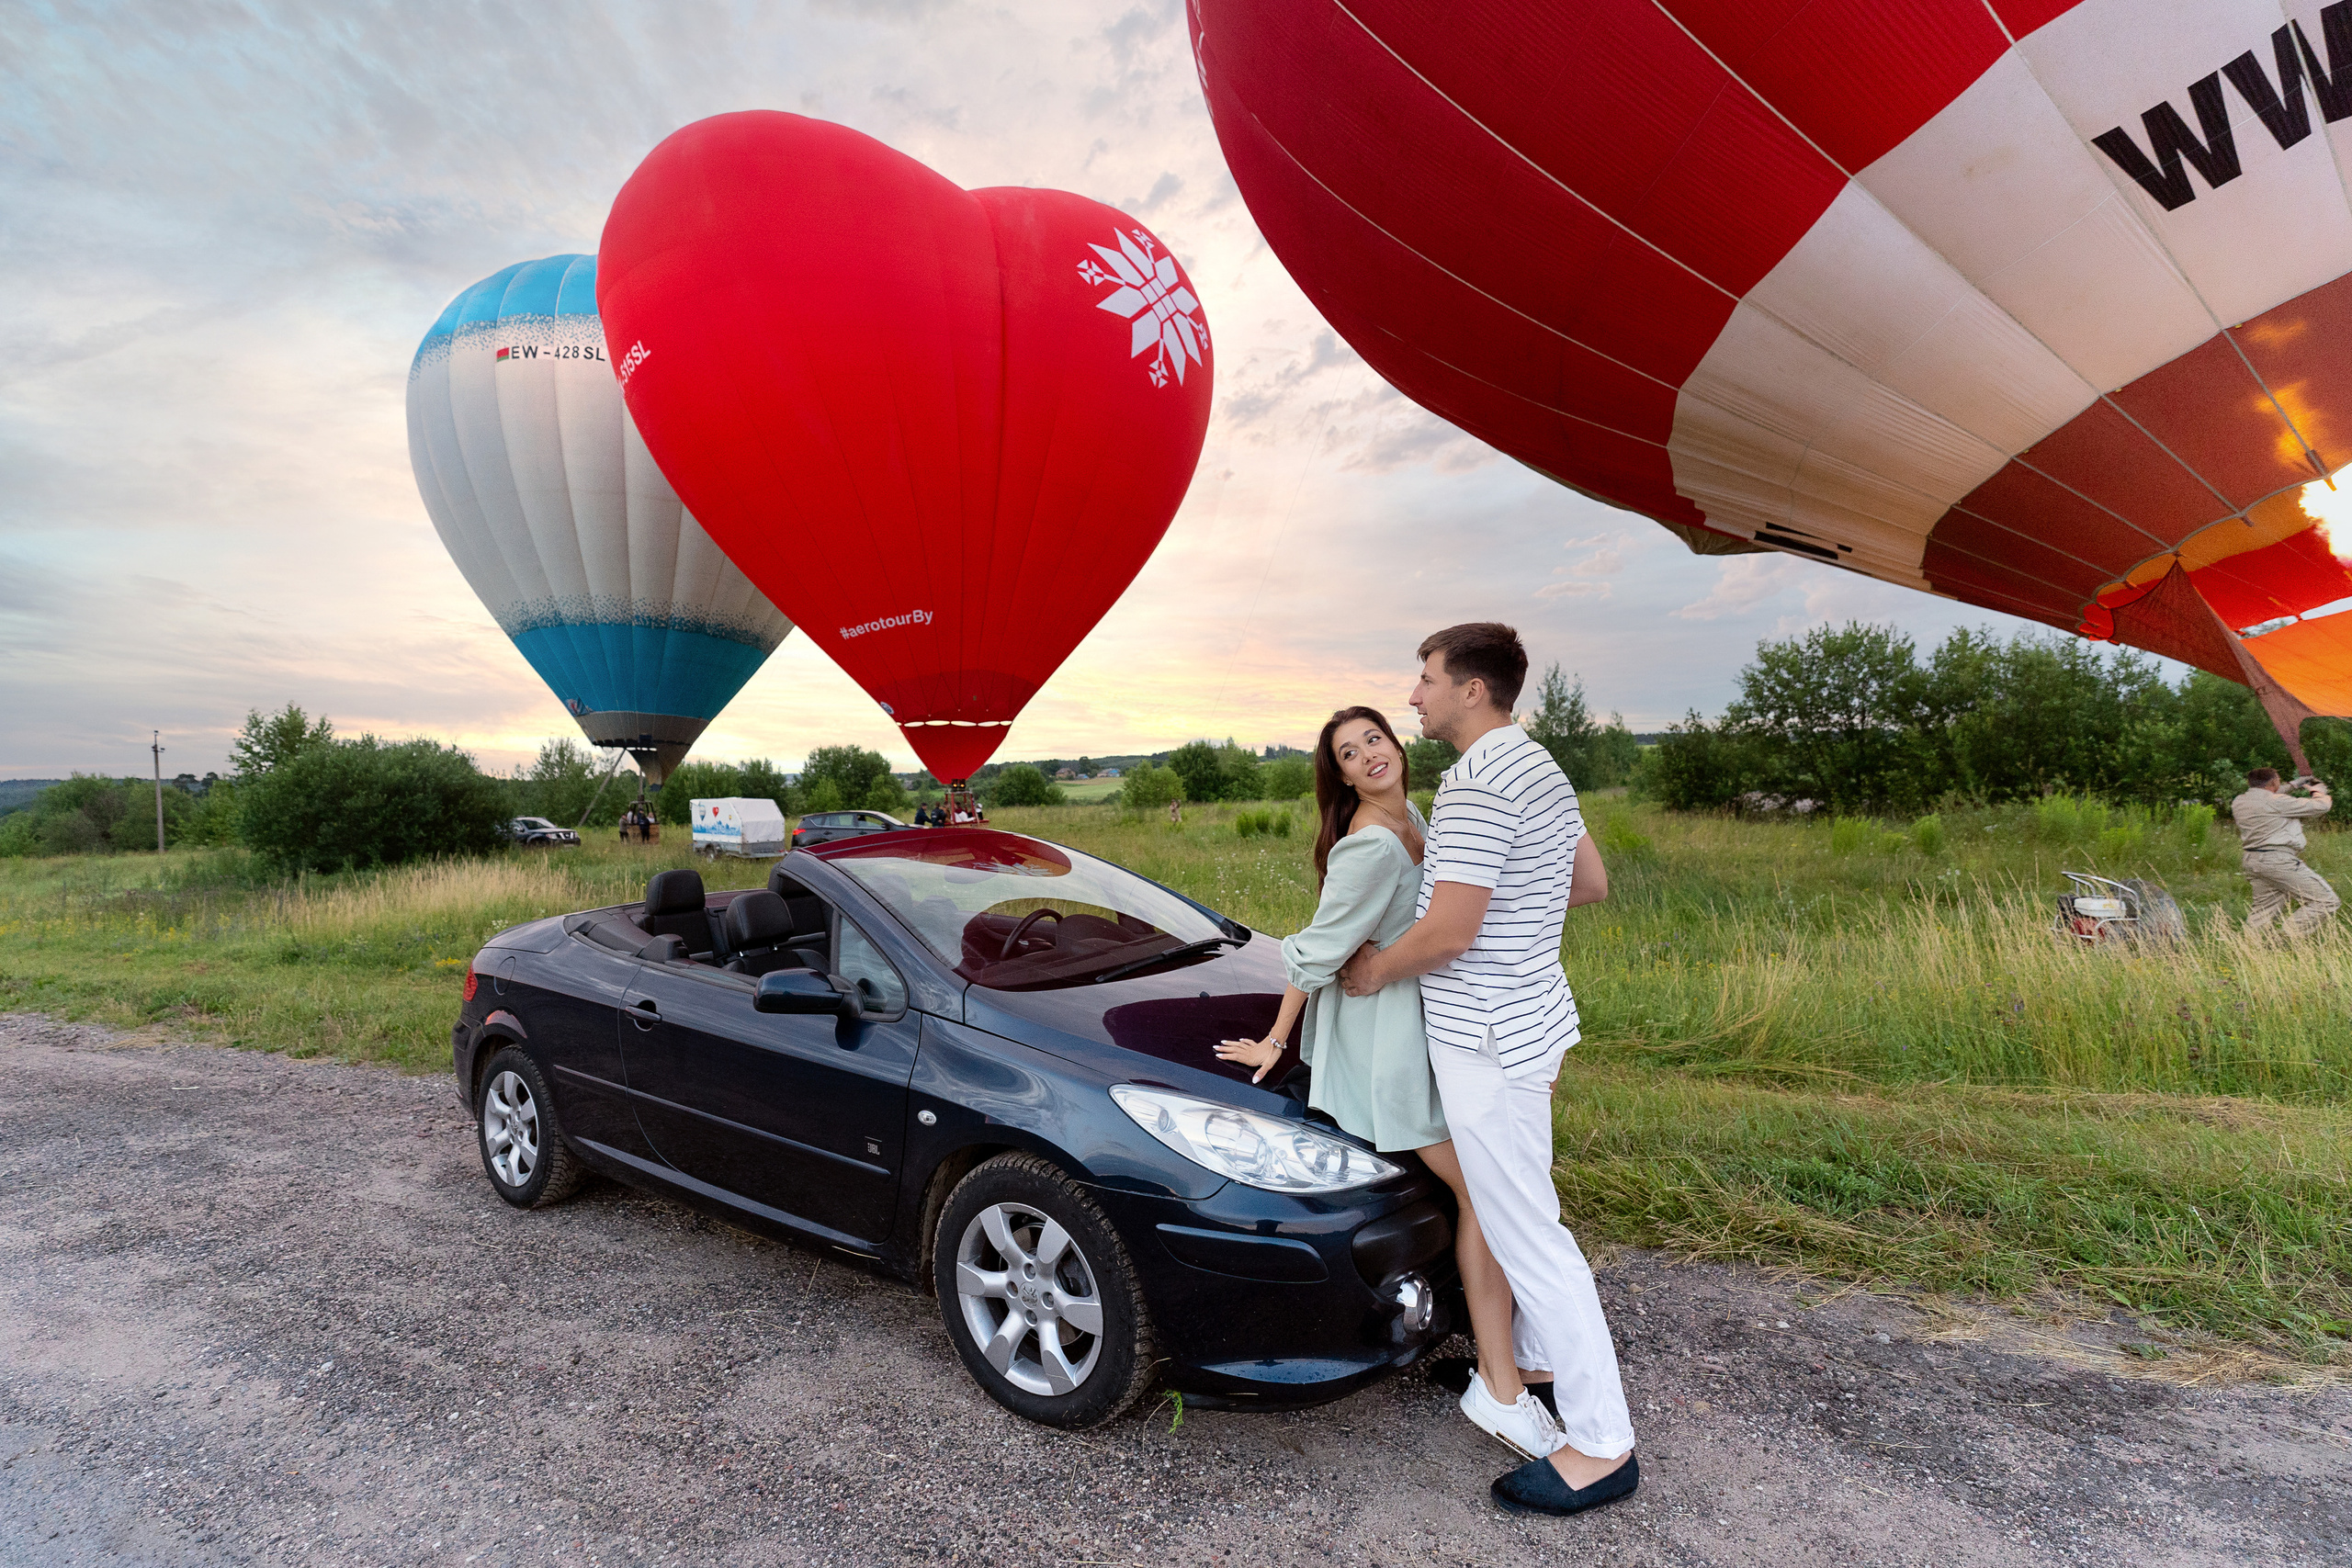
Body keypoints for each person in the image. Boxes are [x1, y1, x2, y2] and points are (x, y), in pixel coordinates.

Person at [1340, 622, 1635, 1518]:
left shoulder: (1473, 782)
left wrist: (1374, 969)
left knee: (1526, 1234)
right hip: (1533, 1019)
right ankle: (1535, 1365)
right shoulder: (1539, 766)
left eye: (1425, 679)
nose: (1414, 696)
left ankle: (1599, 1442)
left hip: (1486, 1041)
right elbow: (1586, 883)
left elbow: (1451, 930)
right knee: (1523, 1205)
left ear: (1471, 690)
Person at [1213, 707, 1558, 1461]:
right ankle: (1500, 1388)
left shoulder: (1416, 818)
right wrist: (1276, 1040)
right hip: (1387, 1047)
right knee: (1485, 1193)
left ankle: (1521, 1354)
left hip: (1425, 1023)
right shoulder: (1369, 846)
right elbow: (1313, 950)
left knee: (1485, 1190)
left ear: (1396, 746)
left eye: (1374, 738)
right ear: (1337, 775)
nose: (1368, 753)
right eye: (1348, 751)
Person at [2231, 768, 2338, 935]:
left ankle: (2249, 949)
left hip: (2254, 860)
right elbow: (2321, 806)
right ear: (2274, 783)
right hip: (2277, 860)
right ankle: (2284, 939)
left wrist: (2296, 784)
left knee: (2263, 910)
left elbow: (2264, 794)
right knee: (2325, 901)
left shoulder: (2240, 801)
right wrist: (2318, 791)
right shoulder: (2277, 802)